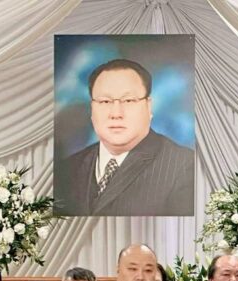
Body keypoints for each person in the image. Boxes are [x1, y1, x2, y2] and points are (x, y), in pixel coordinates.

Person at [54, 59, 194, 217]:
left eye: (128, 101)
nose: (116, 113)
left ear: (148, 106)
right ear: (92, 108)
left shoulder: (185, 167)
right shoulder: (65, 169)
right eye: (105, 101)